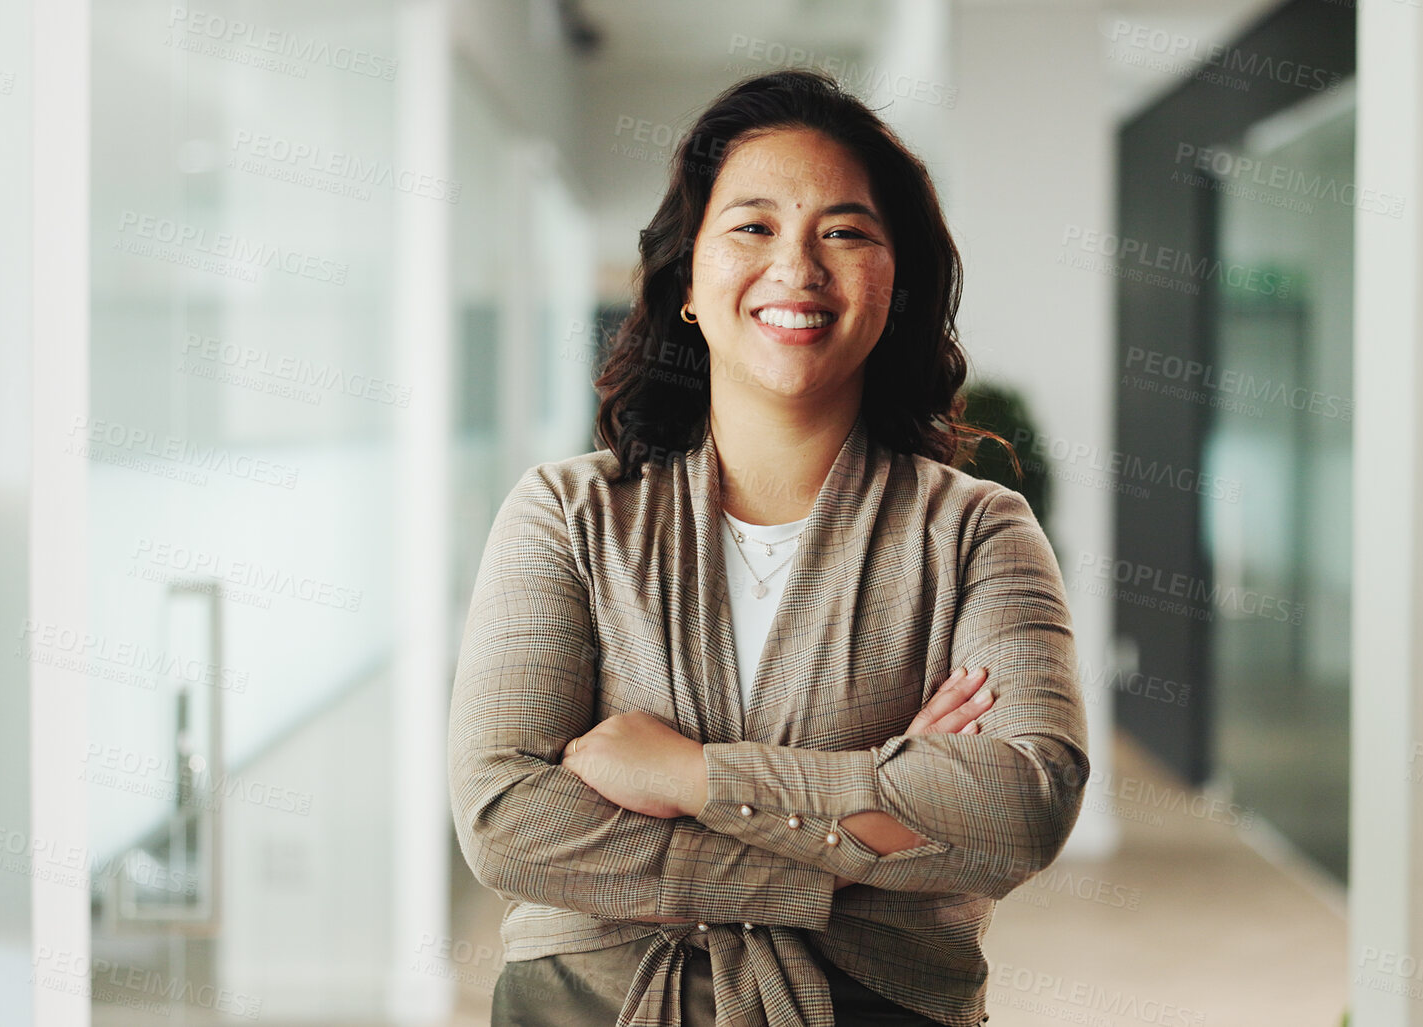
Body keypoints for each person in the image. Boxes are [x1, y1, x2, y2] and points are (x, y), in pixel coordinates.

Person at [447, 69, 1089, 1027]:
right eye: (753, 226)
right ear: (688, 280)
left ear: (895, 285)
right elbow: (506, 819)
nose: (797, 266)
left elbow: (1019, 807)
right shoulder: (565, 514)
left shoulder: (977, 531)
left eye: (845, 232)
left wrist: (688, 777)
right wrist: (860, 841)